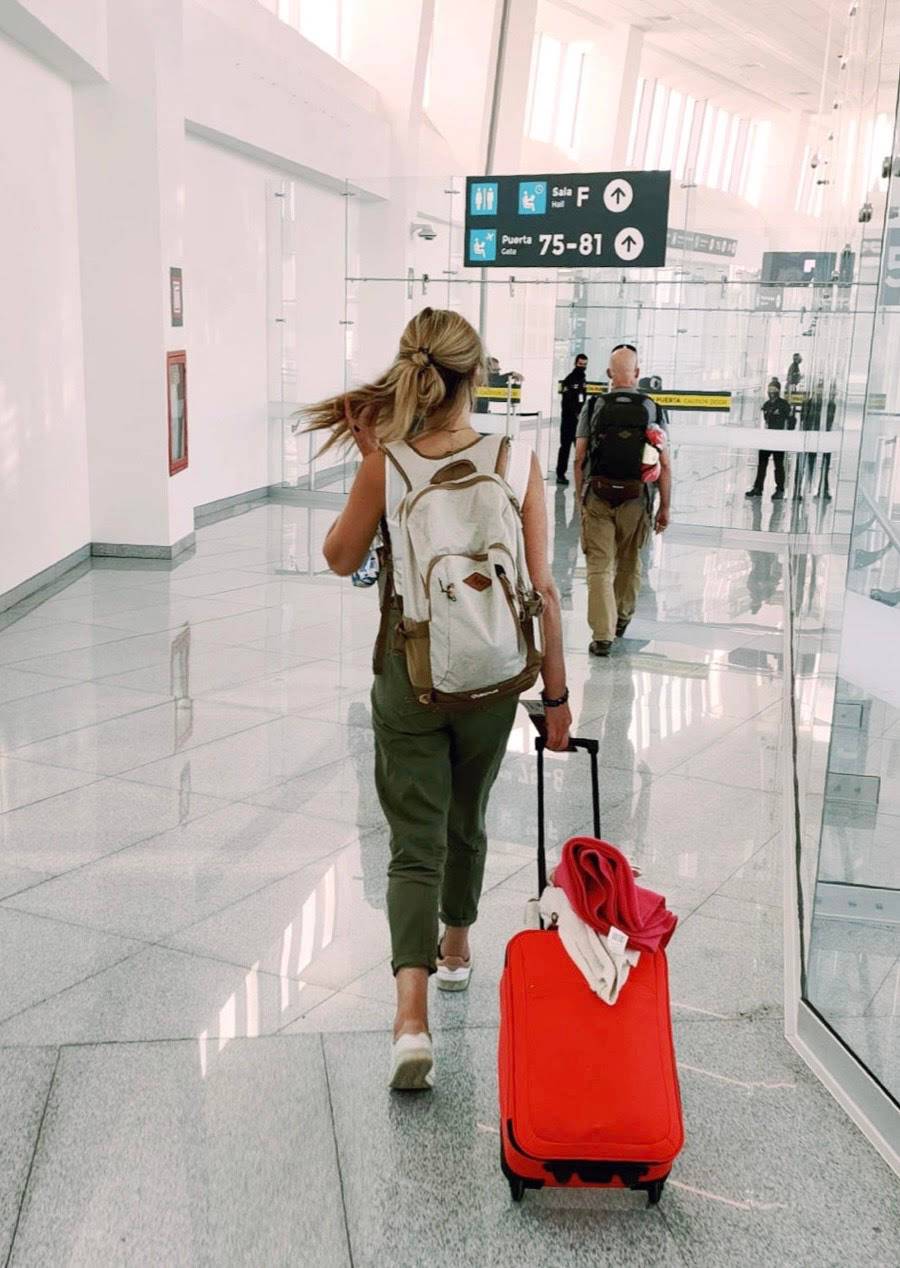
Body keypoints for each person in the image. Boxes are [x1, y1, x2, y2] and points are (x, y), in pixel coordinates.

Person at [301, 308, 571, 1091]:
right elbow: (545, 591)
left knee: (413, 842)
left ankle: (410, 1021)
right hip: (493, 676)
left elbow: (339, 558)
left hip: (408, 674)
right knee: (468, 815)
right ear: (476, 374)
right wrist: (555, 699)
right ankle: (456, 949)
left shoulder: (386, 465)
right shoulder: (515, 460)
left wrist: (375, 472)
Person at [574, 344, 671, 657]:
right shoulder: (653, 408)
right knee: (629, 561)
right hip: (636, 497)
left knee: (599, 566)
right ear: (638, 373)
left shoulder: (594, 405)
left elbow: (579, 457)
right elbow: (664, 463)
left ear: (608, 374)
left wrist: (580, 497)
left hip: (598, 494)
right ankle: (621, 619)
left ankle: (602, 636)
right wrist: (664, 507)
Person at [746, 381, 792, 501]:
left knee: (778, 465)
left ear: (778, 390)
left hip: (778, 440)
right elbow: (764, 421)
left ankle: (780, 490)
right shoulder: (766, 405)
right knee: (761, 464)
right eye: (769, 389)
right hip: (766, 439)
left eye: (774, 389)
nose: (771, 392)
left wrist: (786, 436)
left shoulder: (784, 405)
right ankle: (758, 488)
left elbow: (790, 421)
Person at [556, 353, 589, 486]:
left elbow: (583, 399)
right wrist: (575, 413)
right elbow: (566, 402)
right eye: (580, 364)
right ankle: (560, 474)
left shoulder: (583, 379)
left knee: (581, 450)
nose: (582, 367)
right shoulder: (569, 380)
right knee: (565, 448)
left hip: (579, 421)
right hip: (568, 421)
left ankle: (583, 475)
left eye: (585, 365)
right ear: (575, 363)